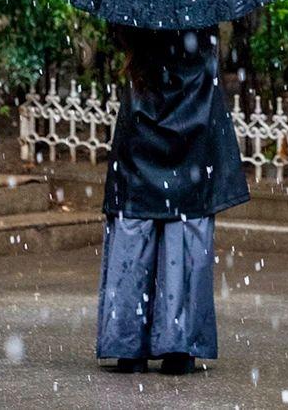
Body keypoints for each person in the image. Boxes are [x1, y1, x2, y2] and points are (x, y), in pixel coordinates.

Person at [96, 24, 249, 375]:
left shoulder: (134, 14)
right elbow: (207, 72)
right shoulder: (202, 16)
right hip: (192, 144)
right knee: (184, 239)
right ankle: (177, 345)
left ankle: (129, 345)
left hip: (139, 142)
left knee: (133, 236)